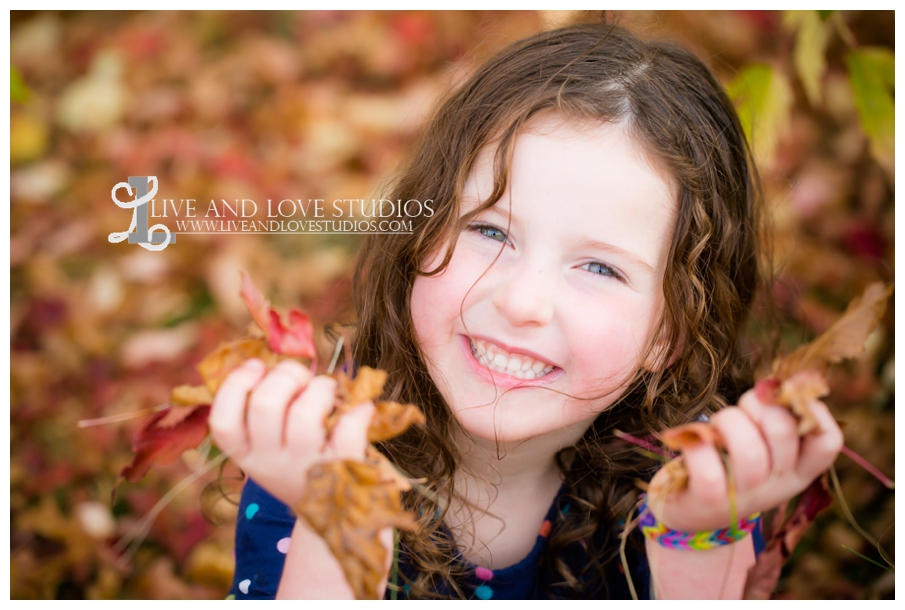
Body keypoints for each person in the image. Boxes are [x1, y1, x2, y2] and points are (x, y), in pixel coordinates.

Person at [210, 22, 843, 600]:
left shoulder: (694, 482)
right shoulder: (318, 457)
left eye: (600, 268)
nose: (520, 302)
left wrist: (704, 538)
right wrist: (335, 525)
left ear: (672, 333)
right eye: (490, 232)